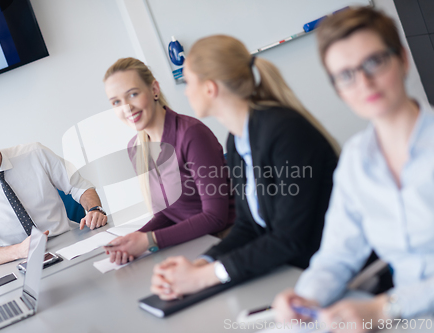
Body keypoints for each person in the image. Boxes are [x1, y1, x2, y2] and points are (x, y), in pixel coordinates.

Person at [273, 7, 434, 331]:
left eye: (373, 62)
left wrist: (388, 307)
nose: (363, 81)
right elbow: (336, 255)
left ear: (402, 59)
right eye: (346, 75)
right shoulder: (355, 161)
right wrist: (306, 298)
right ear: (338, 89)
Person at [150, 35, 339, 299]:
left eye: (188, 82)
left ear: (210, 88)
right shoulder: (238, 139)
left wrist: (205, 277)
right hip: (291, 275)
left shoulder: (285, 132)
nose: (185, 91)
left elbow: (289, 239)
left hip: (331, 277)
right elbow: (248, 226)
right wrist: (201, 264)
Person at [102, 57, 235, 264]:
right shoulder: (137, 148)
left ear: (154, 89)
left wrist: (149, 240)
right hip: (189, 242)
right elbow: (170, 213)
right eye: (116, 102)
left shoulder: (191, 134)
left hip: (224, 240)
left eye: (133, 94)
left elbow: (215, 217)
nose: (126, 108)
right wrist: (133, 239)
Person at [0, 111, 107, 269]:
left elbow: (79, 186)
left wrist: (95, 209)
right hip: (18, 263)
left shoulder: (35, 153)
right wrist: (19, 251)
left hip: (67, 245)